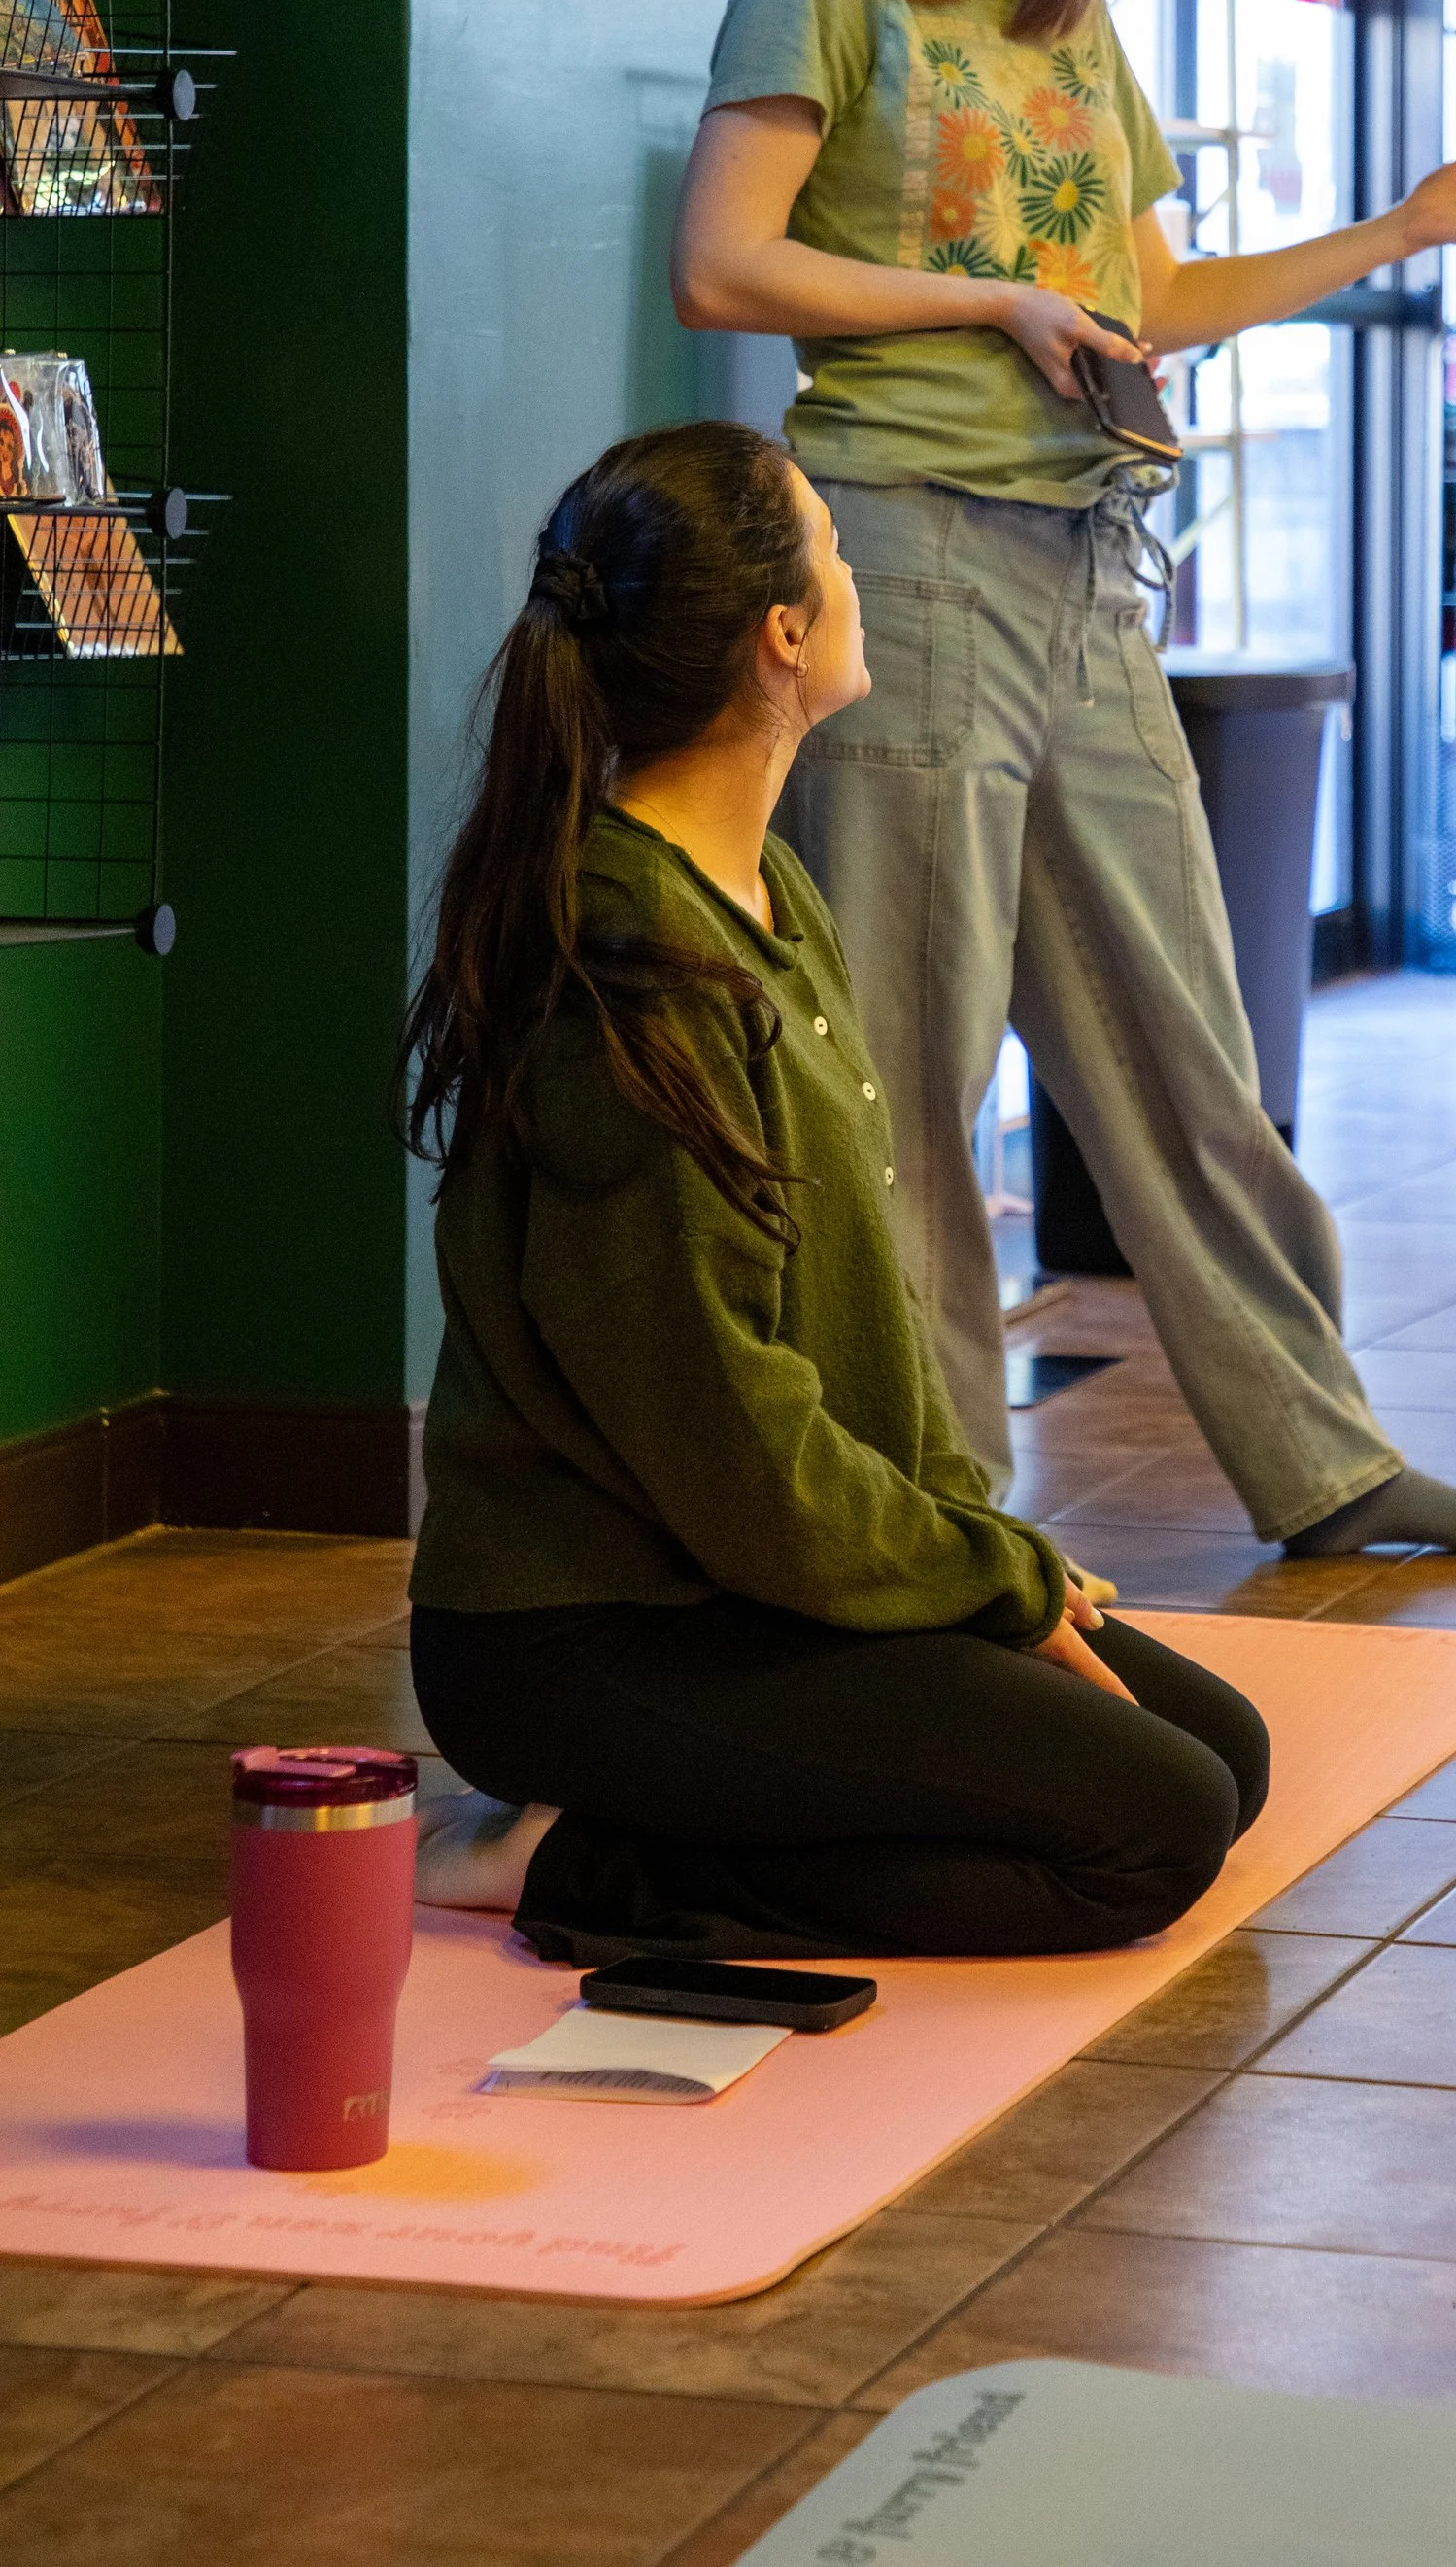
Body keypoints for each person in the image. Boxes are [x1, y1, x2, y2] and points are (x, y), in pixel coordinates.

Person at [672, 0, 1456, 1562]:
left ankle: (1320, 1454)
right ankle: (928, 1498)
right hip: (893, 552)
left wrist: (1394, 235)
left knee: (1187, 1046)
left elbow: (1146, 298)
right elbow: (724, 265)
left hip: (1086, 560)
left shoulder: (1061, 9)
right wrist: (989, 299)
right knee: (907, 1064)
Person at [402, 420, 1269, 1963]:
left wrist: (970, 1549)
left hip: (738, 1567)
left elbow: (848, 1319)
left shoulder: (761, 891)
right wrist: (987, 1584)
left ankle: (695, 1811)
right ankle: (579, 1861)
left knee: (1224, 1752)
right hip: (589, 1631)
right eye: (840, 548)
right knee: (1151, 1828)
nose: (864, 576)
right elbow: (737, 1446)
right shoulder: (635, 978)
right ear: (781, 636)